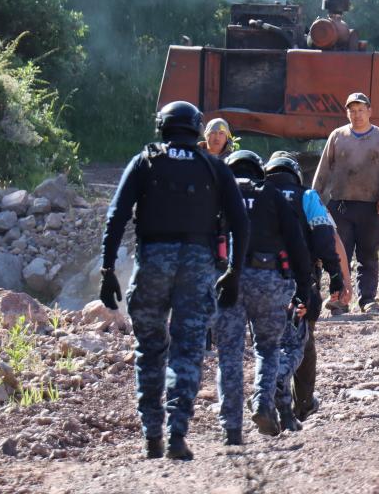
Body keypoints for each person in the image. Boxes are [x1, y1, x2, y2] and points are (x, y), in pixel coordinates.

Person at [98, 100, 247, 461]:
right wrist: (233, 273)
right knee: (188, 348)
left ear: (161, 127)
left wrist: (107, 269)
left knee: (149, 347)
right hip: (198, 265)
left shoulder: (145, 161)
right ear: (196, 129)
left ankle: (152, 436)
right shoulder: (213, 167)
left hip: (152, 261)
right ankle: (177, 432)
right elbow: (241, 222)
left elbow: (116, 215)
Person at [213, 150, 314, 444]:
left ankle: (230, 426)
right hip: (269, 280)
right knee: (268, 349)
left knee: (229, 354)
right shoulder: (272, 194)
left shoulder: (220, 196)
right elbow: (297, 244)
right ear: (260, 172)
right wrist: (304, 288)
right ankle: (261, 402)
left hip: (228, 282)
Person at [264, 152, 350, 426]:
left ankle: (263, 401)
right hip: (301, 282)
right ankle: (302, 403)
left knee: (264, 344)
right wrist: (336, 277)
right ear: (295, 174)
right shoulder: (308, 196)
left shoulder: (257, 195)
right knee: (303, 340)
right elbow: (325, 238)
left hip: (259, 281)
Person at [312, 91, 379, 312]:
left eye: (361, 110)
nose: (357, 114)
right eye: (352, 110)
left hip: (371, 206)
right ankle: (340, 299)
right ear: (347, 113)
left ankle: (367, 299)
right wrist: (313, 198)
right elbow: (323, 169)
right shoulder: (338, 136)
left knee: (368, 254)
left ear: (369, 112)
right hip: (340, 205)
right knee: (339, 254)